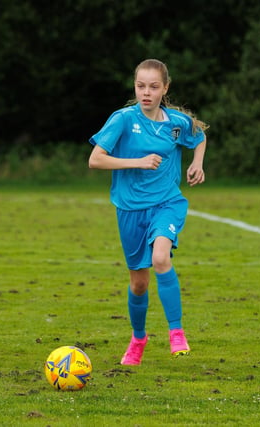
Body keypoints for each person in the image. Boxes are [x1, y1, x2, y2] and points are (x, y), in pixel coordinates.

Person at [88, 59, 208, 365]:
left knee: (160, 257)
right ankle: (139, 338)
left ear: (165, 88)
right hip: (130, 210)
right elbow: (96, 160)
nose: (146, 92)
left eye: (154, 86)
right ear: (135, 87)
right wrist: (137, 162)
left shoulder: (177, 123)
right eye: (141, 86)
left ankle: (176, 331)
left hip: (167, 203)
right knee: (138, 284)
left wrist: (197, 163)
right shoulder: (123, 120)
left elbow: (200, 136)